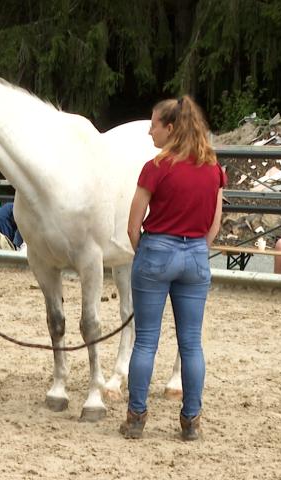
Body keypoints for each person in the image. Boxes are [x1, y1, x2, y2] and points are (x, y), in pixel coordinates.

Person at [123, 95, 225, 441]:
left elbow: (133, 225)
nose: (149, 131)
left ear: (170, 128)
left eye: (153, 124)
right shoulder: (213, 168)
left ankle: (136, 417)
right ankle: (191, 420)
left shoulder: (156, 167)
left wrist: (145, 253)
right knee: (191, 343)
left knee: (146, 341)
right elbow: (215, 223)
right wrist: (196, 249)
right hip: (195, 252)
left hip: (157, 249)